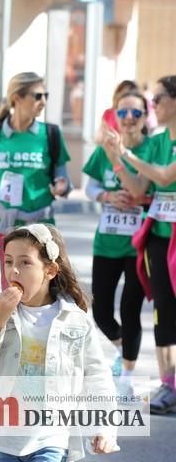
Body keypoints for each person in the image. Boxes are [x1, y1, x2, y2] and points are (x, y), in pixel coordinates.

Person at [0, 224, 119, 462]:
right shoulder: (0, 311)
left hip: (52, 436)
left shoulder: (75, 319)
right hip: (5, 437)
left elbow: (97, 375)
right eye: (8, 262)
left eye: (25, 262)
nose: (13, 271)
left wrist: (105, 427)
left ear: (50, 270)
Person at [102, 74, 176, 415]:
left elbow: (165, 177)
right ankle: (168, 384)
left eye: (158, 99)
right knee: (164, 309)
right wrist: (117, 160)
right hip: (159, 236)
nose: (153, 106)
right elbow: (137, 187)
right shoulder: (159, 141)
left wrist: (126, 153)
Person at [83, 90, 150, 392]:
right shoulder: (105, 149)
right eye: (123, 112)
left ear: (145, 117)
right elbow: (90, 186)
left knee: (130, 309)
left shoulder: (152, 149)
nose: (129, 118)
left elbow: (156, 186)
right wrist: (108, 195)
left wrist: (139, 198)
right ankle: (124, 348)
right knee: (100, 311)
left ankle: (126, 377)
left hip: (138, 244)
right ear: (116, 116)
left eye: (136, 113)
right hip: (107, 242)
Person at [0, 72, 72, 236]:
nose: (44, 102)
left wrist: (62, 186)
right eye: (38, 96)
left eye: (46, 96)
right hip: (2, 226)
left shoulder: (51, 134)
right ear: (17, 98)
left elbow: (63, 178)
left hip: (41, 227)